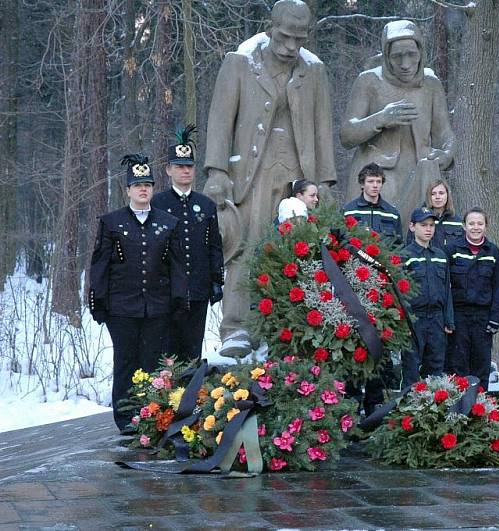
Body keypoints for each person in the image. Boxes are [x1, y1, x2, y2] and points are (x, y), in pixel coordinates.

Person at [202, 0, 336, 358]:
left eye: (300, 38)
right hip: (252, 172)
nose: (292, 45)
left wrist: (326, 180)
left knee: (299, 249)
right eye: (286, 36)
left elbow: (323, 127)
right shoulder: (242, 60)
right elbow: (219, 119)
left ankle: (290, 323)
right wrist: (216, 171)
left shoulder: (314, 70)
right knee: (247, 245)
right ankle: (237, 327)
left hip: (299, 172)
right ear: (271, 27)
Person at [89, 154, 188, 433]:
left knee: (152, 363)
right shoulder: (111, 222)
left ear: (153, 188)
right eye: (137, 185)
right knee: (125, 362)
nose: (143, 189)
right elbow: (100, 266)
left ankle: (150, 415)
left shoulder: (168, 223)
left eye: (147, 184)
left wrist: (179, 299)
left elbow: (177, 267)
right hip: (121, 309)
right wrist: (98, 300)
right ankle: (124, 419)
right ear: (128, 190)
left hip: (157, 307)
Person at [341, 20, 456, 224]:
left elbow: (444, 134)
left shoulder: (430, 85)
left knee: (423, 233)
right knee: (378, 237)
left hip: (420, 172)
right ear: (386, 56)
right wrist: (381, 119)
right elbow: (347, 135)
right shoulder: (369, 81)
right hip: (378, 172)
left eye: (411, 54)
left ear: (421, 52)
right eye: (397, 56)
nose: (405, 64)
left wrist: (445, 155)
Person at [151, 125, 224, 362]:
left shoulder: (206, 205)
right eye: (179, 167)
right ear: (168, 170)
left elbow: (214, 245)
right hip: (167, 290)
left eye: (189, 167)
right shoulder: (158, 203)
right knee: (167, 350)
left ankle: (191, 394)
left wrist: (216, 280)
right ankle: (166, 396)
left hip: (198, 288)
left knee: (193, 347)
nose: (185, 171)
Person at [444, 207, 499, 391]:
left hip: (483, 317)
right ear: (464, 226)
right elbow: (445, 287)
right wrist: (448, 318)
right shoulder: (452, 249)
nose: (475, 227)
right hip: (459, 316)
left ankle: (480, 408)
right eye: (471, 223)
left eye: (480, 223)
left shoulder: (493, 252)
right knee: (457, 363)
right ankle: (458, 408)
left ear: (486, 226)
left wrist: (494, 318)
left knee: (481, 364)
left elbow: (498, 288)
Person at [401, 207, 455, 387]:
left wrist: (449, 320)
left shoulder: (440, 256)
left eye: (431, 225)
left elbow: (447, 289)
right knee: (411, 368)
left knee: (436, 367)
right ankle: (408, 410)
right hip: (414, 319)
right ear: (412, 226)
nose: (428, 229)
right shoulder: (405, 256)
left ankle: (432, 410)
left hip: (437, 319)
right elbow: (399, 294)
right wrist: (404, 323)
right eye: (423, 225)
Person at [342, 163, 403, 243]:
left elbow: (399, 245)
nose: (375, 185)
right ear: (362, 184)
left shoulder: (392, 214)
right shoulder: (348, 212)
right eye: (370, 181)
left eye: (378, 182)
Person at [405, 179, 463, 250]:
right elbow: (409, 247)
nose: (437, 197)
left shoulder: (457, 222)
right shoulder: (419, 218)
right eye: (433, 194)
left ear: (447, 195)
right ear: (428, 196)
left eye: (441, 193)